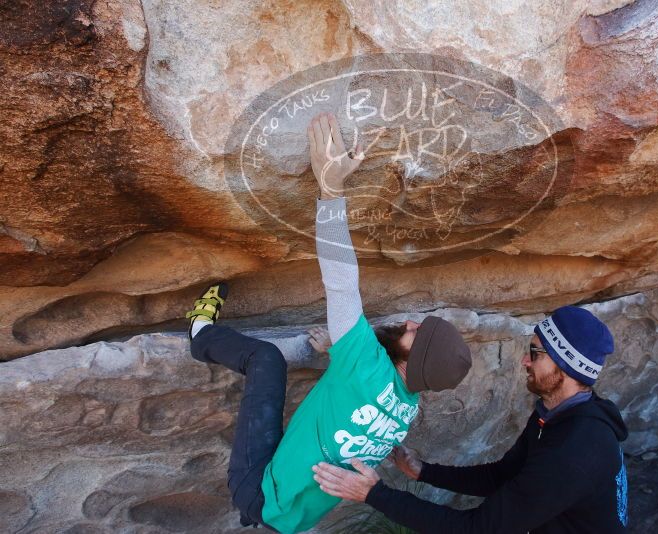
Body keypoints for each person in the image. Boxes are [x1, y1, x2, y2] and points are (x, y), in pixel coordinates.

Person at [183, 112, 472, 533]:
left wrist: (331, 187)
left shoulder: (367, 364)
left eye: (416, 332)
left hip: (259, 490)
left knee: (266, 356)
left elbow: (341, 283)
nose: (409, 322)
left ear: (412, 360)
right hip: (291, 519)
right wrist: (336, 353)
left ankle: (200, 334)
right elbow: (360, 400)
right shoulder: (405, 408)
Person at [313, 306, 630, 533]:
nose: (524, 360)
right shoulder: (556, 412)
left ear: (565, 369)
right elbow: (504, 476)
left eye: (535, 353)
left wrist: (373, 494)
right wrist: (423, 472)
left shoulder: (573, 452)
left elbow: (477, 527)